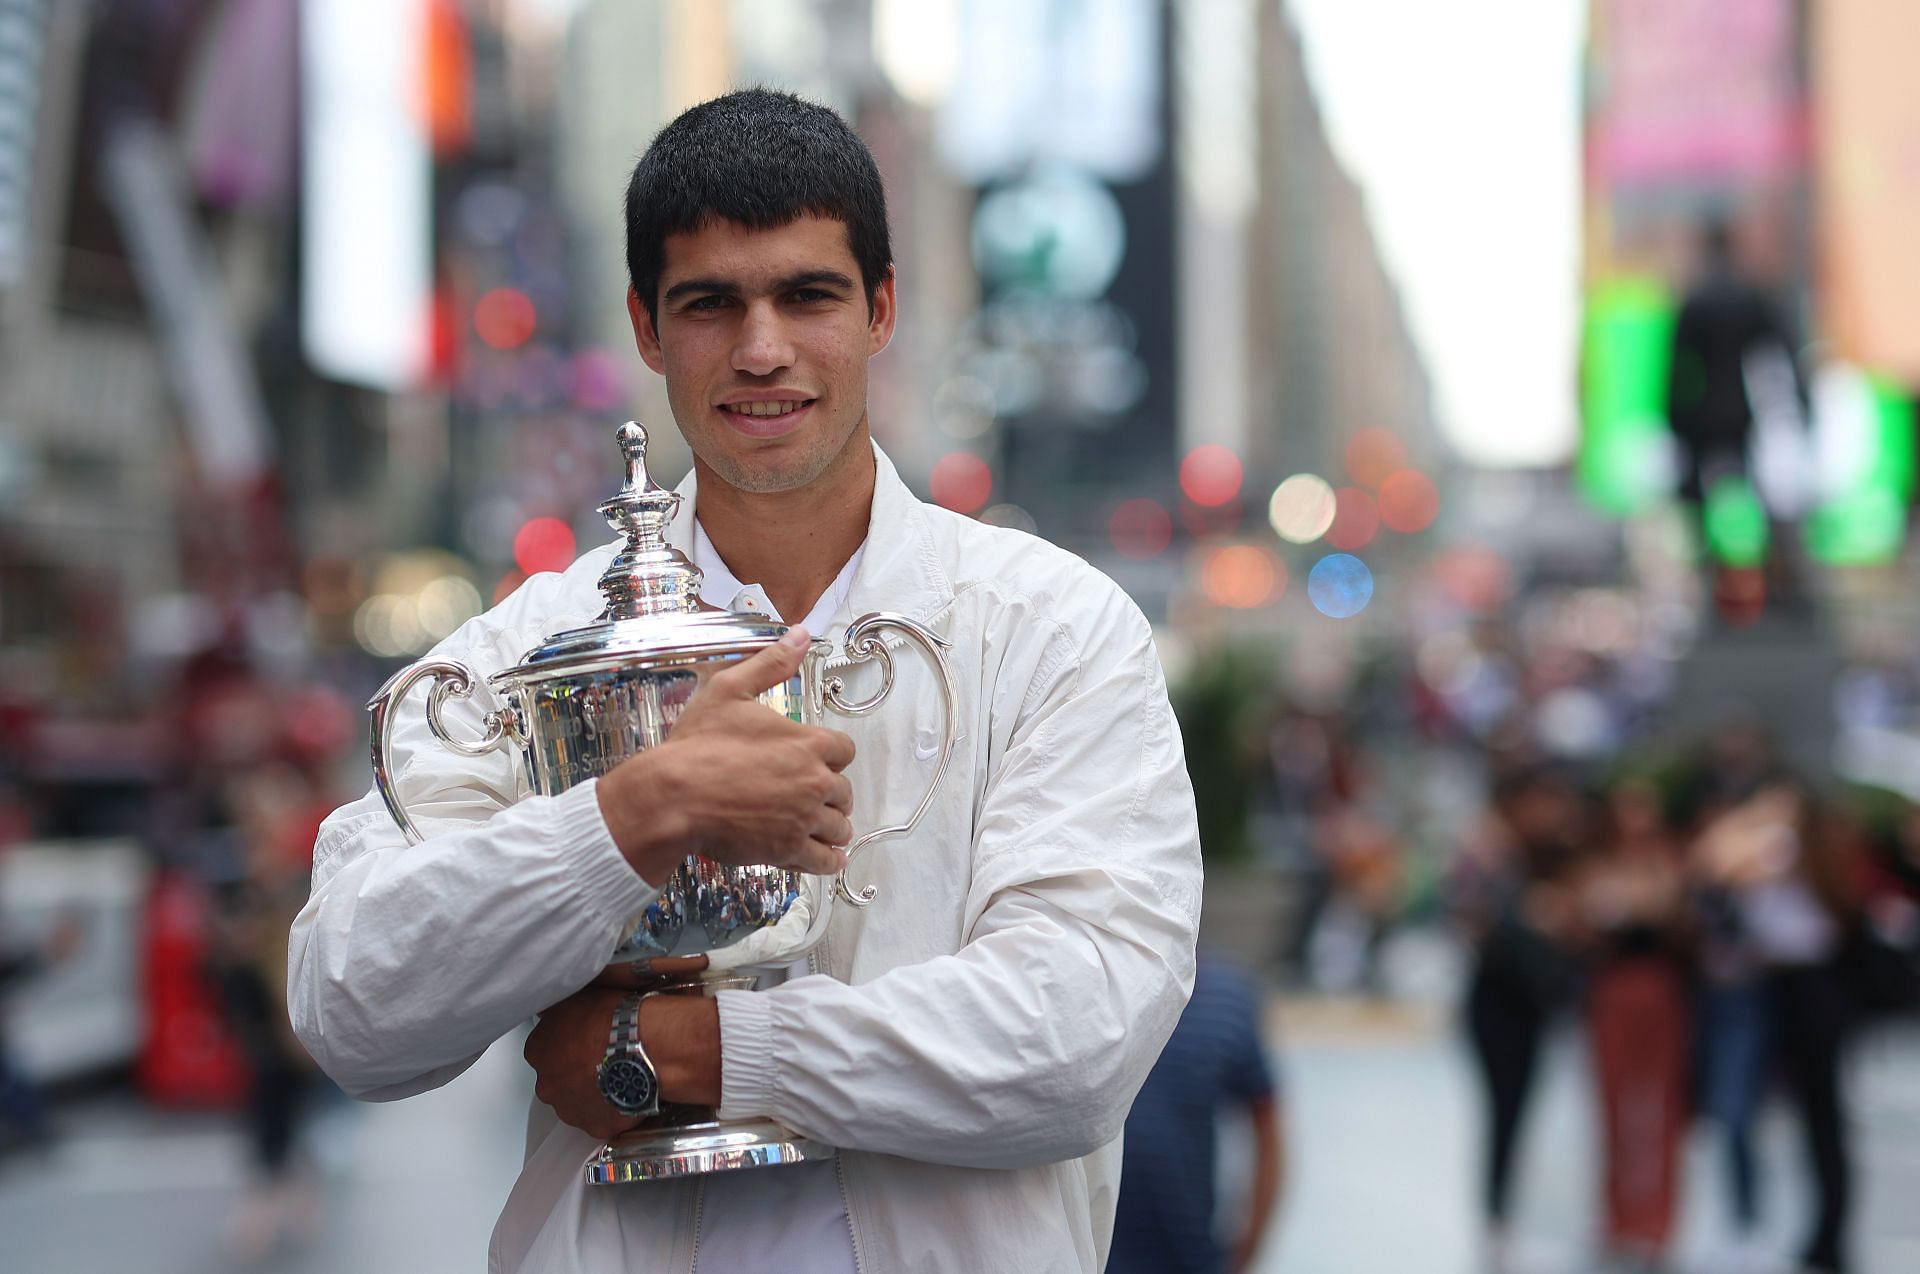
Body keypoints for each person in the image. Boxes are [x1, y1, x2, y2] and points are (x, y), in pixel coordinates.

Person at [287, 89, 1201, 1274]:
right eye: (711, 302)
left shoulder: (1051, 628)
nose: (762, 348)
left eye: (806, 295)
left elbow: (1077, 1033)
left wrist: (697, 1047)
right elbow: (351, 1005)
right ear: (647, 327)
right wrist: (628, 819)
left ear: (879, 308)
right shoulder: (541, 639)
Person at [1108, 953, 1285, 1274]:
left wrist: (1248, 1247)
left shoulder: (1230, 999)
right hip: (1091, 1254)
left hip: (1189, 1254)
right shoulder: (1091, 986)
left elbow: (1268, 1124)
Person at [1580, 776, 1690, 1272]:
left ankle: (1657, 1220)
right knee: (1612, 1110)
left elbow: (1665, 910)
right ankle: (1617, 1218)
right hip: (1612, 990)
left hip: (1660, 990)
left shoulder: (1670, 863)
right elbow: (1582, 916)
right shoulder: (1595, 865)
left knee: (1661, 1111)